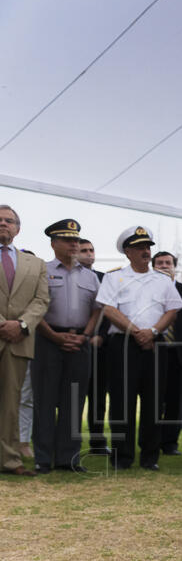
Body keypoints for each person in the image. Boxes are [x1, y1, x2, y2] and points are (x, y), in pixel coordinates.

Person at [96, 226, 182, 471]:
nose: (146, 251)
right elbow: (109, 309)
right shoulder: (114, 278)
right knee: (121, 402)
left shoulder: (162, 280)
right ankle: (122, 457)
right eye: (139, 248)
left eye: (147, 247)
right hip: (123, 344)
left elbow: (172, 309)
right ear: (127, 251)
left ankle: (149, 456)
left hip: (155, 345)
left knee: (154, 402)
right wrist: (136, 331)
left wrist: (153, 332)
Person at [31, 220, 101, 474]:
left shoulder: (91, 276)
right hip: (48, 340)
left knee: (74, 401)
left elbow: (97, 310)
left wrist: (85, 336)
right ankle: (42, 457)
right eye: (68, 240)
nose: (75, 244)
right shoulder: (42, 271)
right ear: (53, 243)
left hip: (79, 341)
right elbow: (35, 309)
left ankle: (68, 457)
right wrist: (53, 336)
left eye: (77, 240)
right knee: (45, 400)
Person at [0, 204, 50, 476]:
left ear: (17, 229)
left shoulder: (36, 264)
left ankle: (9, 460)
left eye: (9, 221)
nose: (4, 224)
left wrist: (20, 324)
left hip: (18, 340)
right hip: (6, 332)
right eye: (0, 220)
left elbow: (41, 300)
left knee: (11, 404)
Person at [152, 250, 182, 457]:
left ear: (174, 267)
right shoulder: (148, 291)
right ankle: (153, 439)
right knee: (155, 398)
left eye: (168, 263)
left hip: (179, 351)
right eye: (160, 263)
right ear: (153, 267)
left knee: (176, 400)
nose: (164, 266)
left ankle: (170, 443)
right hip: (155, 349)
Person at [77, 238, 109, 454]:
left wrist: (101, 335)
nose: (89, 254)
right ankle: (69, 442)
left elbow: (110, 310)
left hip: (99, 348)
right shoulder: (71, 276)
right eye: (84, 251)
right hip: (73, 342)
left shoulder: (105, 279)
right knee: (72, 396)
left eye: (91, 250)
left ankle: (97, 442)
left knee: (98, 396)